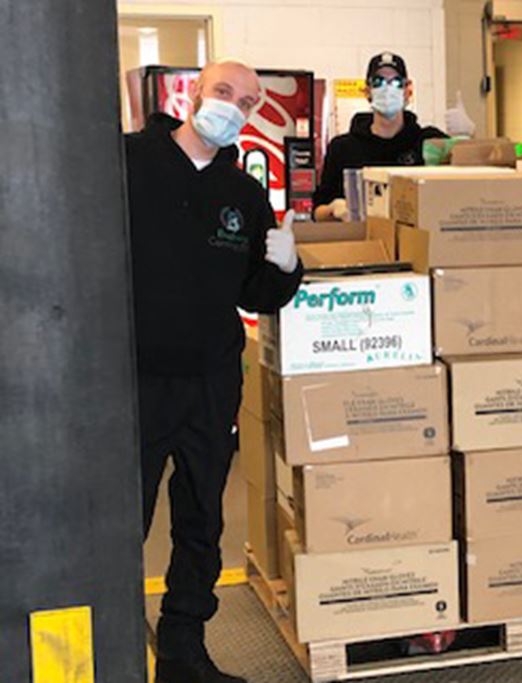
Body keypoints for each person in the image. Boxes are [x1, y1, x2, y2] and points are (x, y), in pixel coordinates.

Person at [125, 60, 303, 683]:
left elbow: (258, 294)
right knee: (124, 519)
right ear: (195, 93)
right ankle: (113, 645)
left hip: (210, 379)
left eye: (248, 103)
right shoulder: (127, 163)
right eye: (223, 93)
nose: (233, 107)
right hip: (134, 380)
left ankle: (183, 651)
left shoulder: (245, 193)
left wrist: (287, 268)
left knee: (202, 520)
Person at [312, 52, 475, 221]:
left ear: (407, 91)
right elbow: (317, 211)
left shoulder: (427, 142)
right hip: (362, 243)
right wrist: (332, 209)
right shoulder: (342, 148)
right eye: (378, 82)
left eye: (395, 82)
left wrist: (465, 136)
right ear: (367, 91)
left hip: (416, 242)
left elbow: (468, 184)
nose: (387, 89)